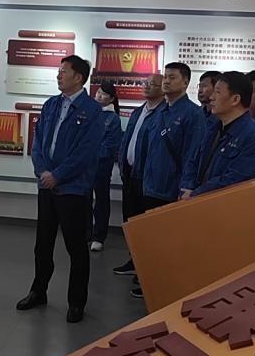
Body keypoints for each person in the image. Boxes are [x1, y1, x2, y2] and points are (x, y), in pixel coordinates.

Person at [19, 55, 105, 323]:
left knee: (76, 247)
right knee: (42, 244)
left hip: (73, 189)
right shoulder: (51, 104)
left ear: (78, 77)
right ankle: (38, 291)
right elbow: (38, 143)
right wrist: (43, 171)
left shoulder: (92, 111)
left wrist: (58, 175)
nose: (58, 75)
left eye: (63, 71)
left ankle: (76, 302)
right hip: (47, 186)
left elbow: (86, 153)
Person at [132, 63, 205, 299]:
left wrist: (186, 186)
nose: (166, 81)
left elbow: (192, 154)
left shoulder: (193, 114)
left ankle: (167, 287)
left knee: (170, 243)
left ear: (185, 82)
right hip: (150, 185)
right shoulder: (161, 111)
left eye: (172, 77)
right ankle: (152, 284)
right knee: (152, 240)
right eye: (165, 77)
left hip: (172, 189)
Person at [180, 71, 255, 198]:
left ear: (235, 99)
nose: (211, 97)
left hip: (224, 203)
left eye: (217, 92)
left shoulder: (254, 136)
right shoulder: (211, 126)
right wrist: (187, 187)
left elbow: (236, 178)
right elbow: (193, 160)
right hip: (198, 200)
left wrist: (195, 193)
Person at [113, 73, 163, 278]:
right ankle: (133, 260)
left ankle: (146, 269)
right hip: (130, 175)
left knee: (147, 227)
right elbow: (127, 140)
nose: (147, 86)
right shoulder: (138, 111)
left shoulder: (162, 114)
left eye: (153, 84)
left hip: (148, 179)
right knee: (131, 222)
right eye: (146, 83)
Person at [89, 81, 123, 252]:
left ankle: (99, 236)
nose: (99, 96)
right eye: (98, 92)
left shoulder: (113, 119)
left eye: (103, 94)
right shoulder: (91, 113)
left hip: (101, 167)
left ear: (111, 98)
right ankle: (86, 232)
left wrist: (90, 155)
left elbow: (110, 146)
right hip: (84, 167)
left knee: (101, 201)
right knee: (83, 200)